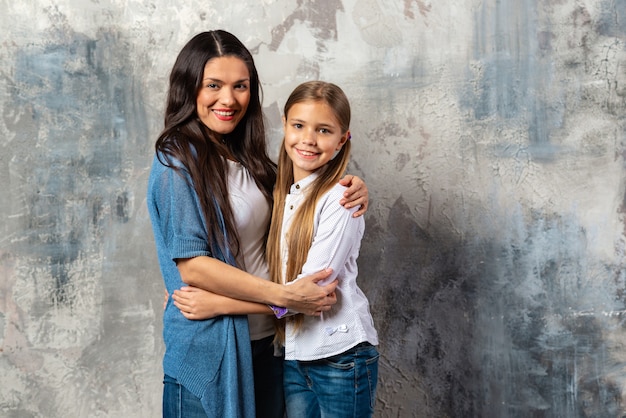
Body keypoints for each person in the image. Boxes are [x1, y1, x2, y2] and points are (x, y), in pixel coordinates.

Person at [147, 30, 369, 418]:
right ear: (189, 88)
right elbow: (194, 266)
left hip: (270, 348)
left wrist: (350, 184)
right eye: (213, 85)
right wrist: (281, 298)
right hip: (212, 355)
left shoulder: (253, 163)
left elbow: (292, 224)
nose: (228, 99)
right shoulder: (176, 162)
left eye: (240, 86)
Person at [266, 81, 379, 418]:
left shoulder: (341, 199)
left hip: (341, 356)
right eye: (298, 125)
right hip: (295, 354)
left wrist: (225, 302)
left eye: (324, 130)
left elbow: (312, 288)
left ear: (343, 139)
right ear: (284, 125)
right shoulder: (281, 194)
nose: (308, 139)